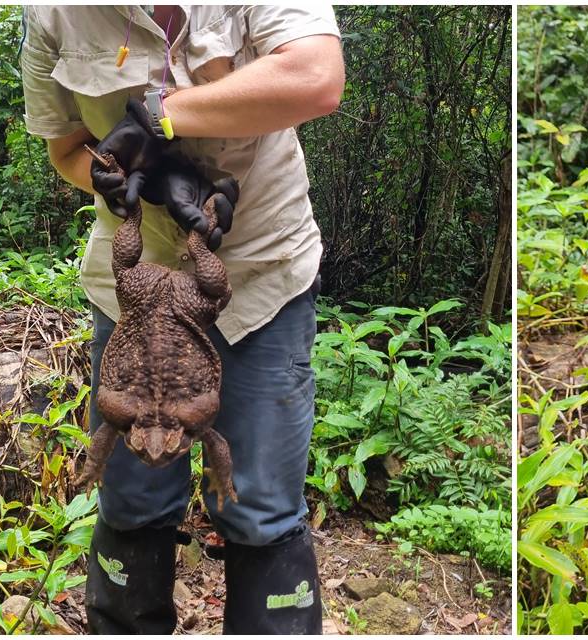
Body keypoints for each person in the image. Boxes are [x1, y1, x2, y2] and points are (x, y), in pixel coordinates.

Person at [20, 5, 345, 634]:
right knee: (132, 501)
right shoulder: (52, 13)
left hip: (258, 274)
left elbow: (316, 76)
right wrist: (114, 179)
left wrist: (159, 119)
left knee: (260, 507)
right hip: (136, 293)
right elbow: (66, 148)